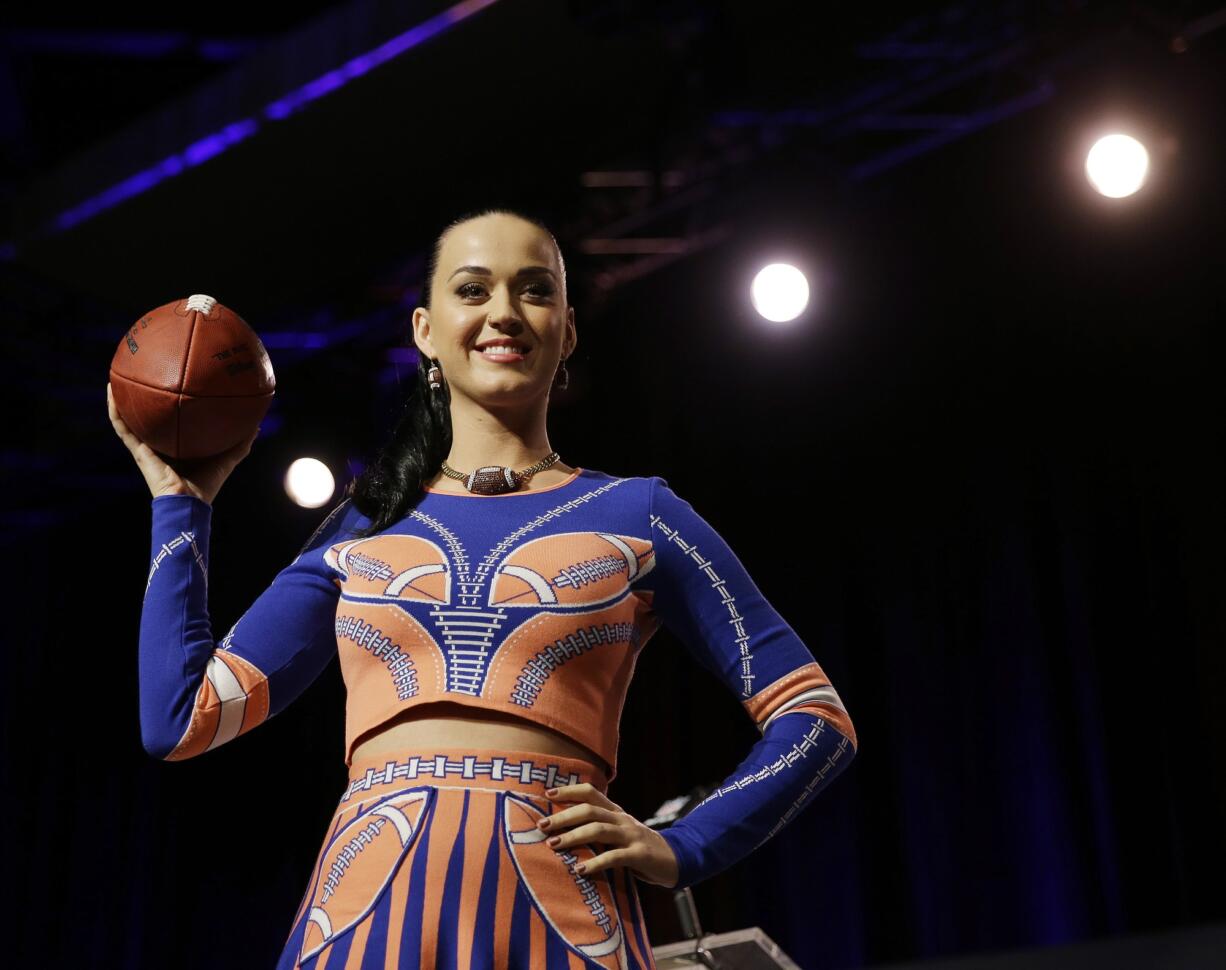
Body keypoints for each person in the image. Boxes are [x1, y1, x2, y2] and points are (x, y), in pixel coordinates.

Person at [107, 208, 859, 969]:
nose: (504, 311)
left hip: (562, 910)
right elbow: (179, 719)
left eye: (534, 291)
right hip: (368, 915)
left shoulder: (642, 513)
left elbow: (814, 717)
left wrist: (684, 845)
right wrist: (182, 505)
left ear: (566, 330)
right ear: (426, 332)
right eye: (474, 289)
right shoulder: (365, 523)